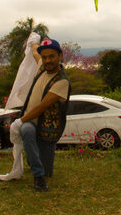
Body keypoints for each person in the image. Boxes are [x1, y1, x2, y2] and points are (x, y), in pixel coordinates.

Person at [9, 38, 71, 191]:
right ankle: (38, 178)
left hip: (47, 129)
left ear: (60, 56)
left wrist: (19, 121)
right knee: (27, 130)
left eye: (52, 56)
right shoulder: (41, 67)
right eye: (45, 57)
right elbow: (36, 53)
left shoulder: (62, 81)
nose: (47, 60)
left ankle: (37, 163)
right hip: (31, 123)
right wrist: (33, 42)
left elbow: (42, 106)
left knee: (48, 171)